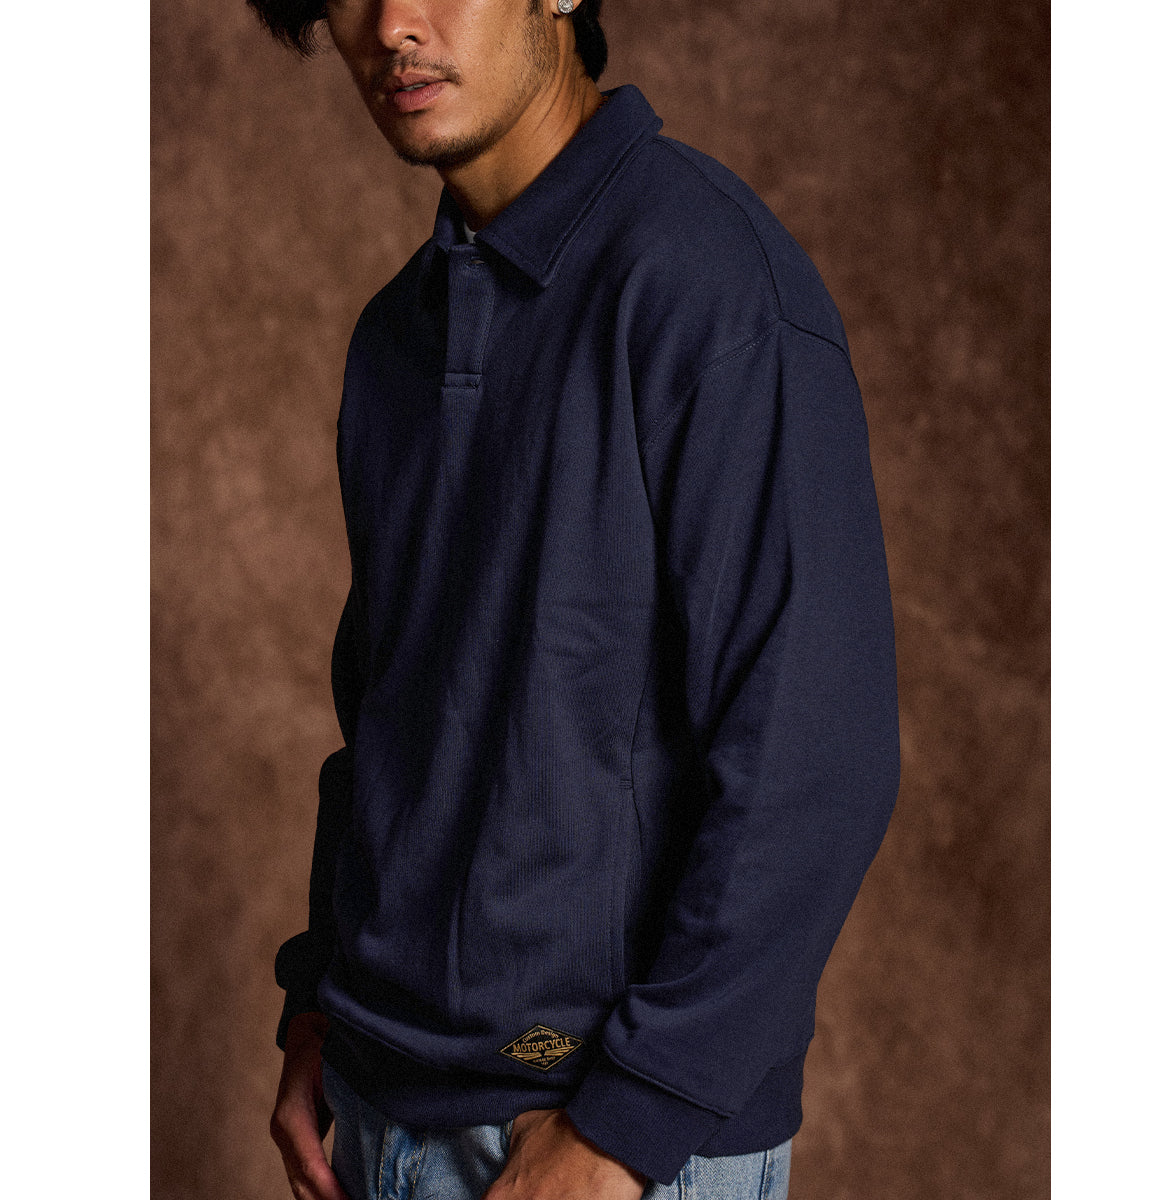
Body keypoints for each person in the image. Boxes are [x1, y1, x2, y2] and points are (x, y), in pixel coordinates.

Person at [251, 2, 901, 1198]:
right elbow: (391, 721)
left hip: (598, 1137)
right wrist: (320, 1008)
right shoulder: (394, 336)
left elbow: (816, 757)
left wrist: (624, 1128)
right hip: (379, 1105)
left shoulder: (709, 281)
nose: (392, 25)